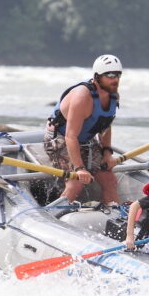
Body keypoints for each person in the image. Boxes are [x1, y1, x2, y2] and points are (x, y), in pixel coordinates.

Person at [44, 54, 123, 205]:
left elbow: (105, 126)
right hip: (59, 138)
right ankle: (56, 214)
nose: (115, 79)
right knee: (77, 182)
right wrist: (80, 168)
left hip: (86, 140)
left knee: (110, 180)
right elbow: (70, 136)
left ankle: (114, 218)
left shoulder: (113, 95)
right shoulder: (82, 97)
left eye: (118, 74)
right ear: (97, 77)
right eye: (110, 75)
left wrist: (107, 153)